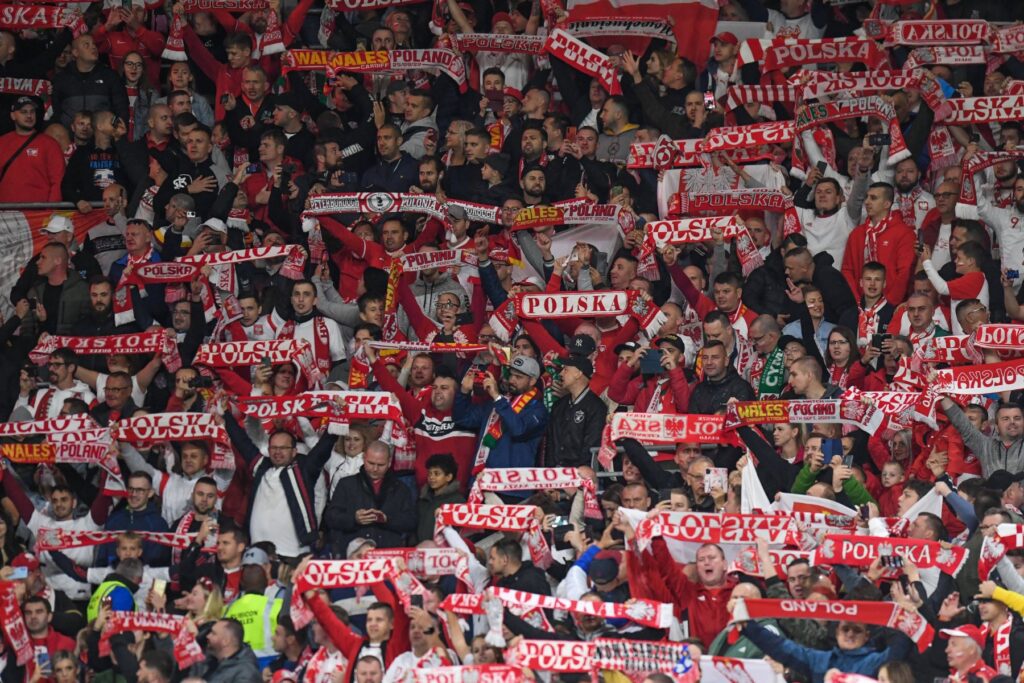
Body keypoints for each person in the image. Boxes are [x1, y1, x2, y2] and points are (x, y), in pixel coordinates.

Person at [0, 97, 65, 203]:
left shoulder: (50, 144)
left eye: (32, 111)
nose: (29, 116)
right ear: (13, 115)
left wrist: (50, 209)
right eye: (23, 112)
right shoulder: (2, 143)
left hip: (38, 214)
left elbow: (58, 181)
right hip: (5, 213)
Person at [189, 618, 263, 683]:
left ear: (226, 641)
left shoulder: (245, 673)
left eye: (213, 633)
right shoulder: (207, 661)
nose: (208, 636)